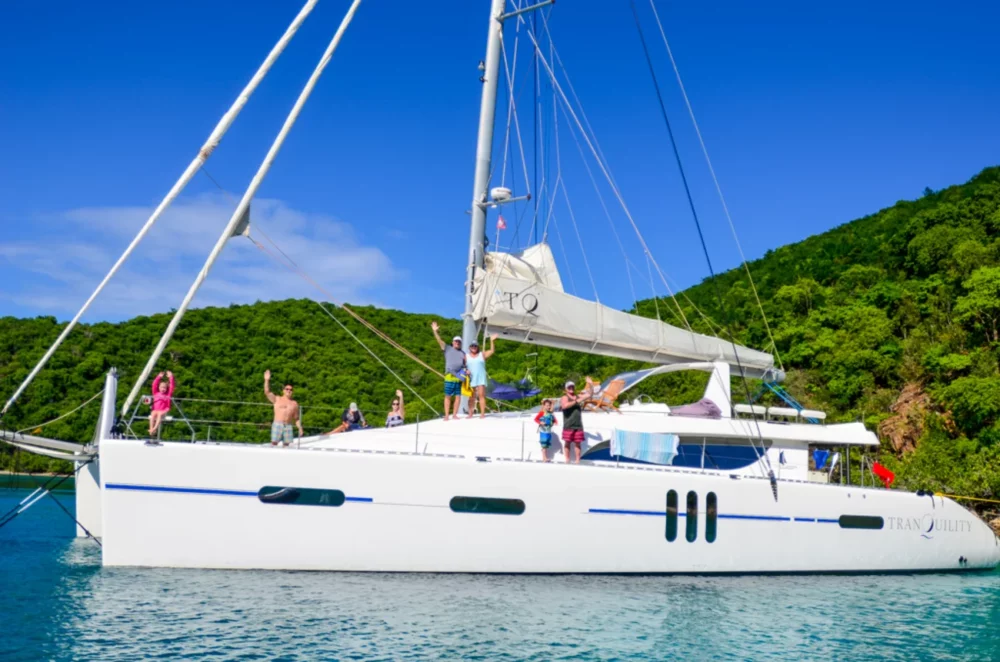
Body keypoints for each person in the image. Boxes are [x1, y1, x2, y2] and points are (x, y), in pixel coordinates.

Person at [431, 321, 466, 420]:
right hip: (449, 375)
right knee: (448, 396)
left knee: (458, 397)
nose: (457, 343)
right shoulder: (448, 348)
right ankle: (447, 415)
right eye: (456, 341)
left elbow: (465, 365)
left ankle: (454, 415)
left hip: (459, 376)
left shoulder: (463, 353)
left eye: (459, 342)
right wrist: (435, 331)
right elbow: (439, 340)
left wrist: (466, 371)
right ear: (453, 342)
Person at [264, 369, 303, 446]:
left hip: (288, 425)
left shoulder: (294, 403)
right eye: (287, 389)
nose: (289, 390)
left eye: (291, 389)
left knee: (286, 445)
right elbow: (267, 392)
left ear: (292, 392)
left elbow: (296, 418)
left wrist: (300, 428)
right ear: (283, 391)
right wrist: (266, 380)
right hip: (277, 424)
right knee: (274, 443)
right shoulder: (277, 399)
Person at [466, 333, 497, 419]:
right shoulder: (466, 356)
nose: (474, 347)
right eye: (472, 346)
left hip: (480, 378)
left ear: (478, 347)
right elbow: (461, 365)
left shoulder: (482, 354)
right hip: (471, 378)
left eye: (475, 346)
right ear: (469, 347)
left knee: (481, 395)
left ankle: (482, 414)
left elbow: (492, 351)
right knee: (471, 397)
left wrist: (492, 341)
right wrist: (465, 370)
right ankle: (470, 414)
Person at [560, 381, 586, 464]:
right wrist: (577, 401)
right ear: (566, 389)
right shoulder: (564, 397)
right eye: (569, 387)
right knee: (567, 442)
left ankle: (578, 460)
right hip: (568, 424)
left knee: (578, 443)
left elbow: (589, 395)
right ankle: (567, 460)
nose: (571, 388)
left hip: (578, 424)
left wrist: (591, 385)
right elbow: (565, 406)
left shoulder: (578, 396)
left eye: (572, 387)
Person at [148, 371, 175, 437]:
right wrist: (159, 377)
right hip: (156, 410)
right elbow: (154, 385)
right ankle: (151, 428)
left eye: (164, 388)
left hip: (164, 410)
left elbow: (172, 387)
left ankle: (155, 428)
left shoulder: (168, 395)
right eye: (162, 387)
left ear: (166, 388)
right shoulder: (156, 393)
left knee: (159, 414)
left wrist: (171, 377)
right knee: (153, 413)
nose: (163, 389)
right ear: (159, 388)